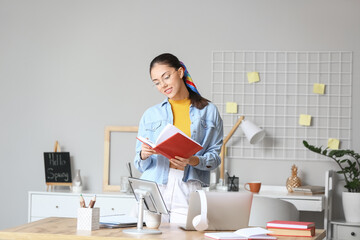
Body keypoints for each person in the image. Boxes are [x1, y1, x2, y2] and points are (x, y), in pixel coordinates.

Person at [134, 53, 223, 223]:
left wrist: (193, 160)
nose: (163, 85)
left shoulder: (209, 111)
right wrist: (144, 154)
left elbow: (215, 158)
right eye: (157, 82)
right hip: (154, 185)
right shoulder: (151, 114)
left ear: (180, 72)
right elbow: (139, 164)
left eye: (166, 77)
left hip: (188, 186)